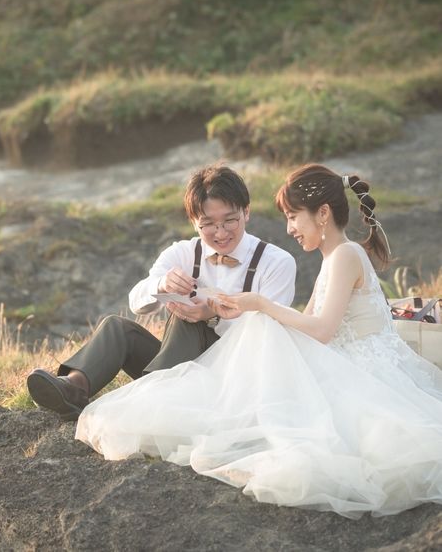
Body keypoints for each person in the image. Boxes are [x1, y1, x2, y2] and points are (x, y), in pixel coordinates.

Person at [76, 163, 442, 519]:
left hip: (364, 371)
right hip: (335, 361)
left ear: (323, 213)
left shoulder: (344, 255)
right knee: (259, 335)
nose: (290, 228)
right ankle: (100, 389)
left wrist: (258, 306)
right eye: (288, 219)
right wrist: (243, 310)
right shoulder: (333, 259)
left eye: (293, 217)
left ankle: (171, 403)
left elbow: (321, 331)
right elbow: (304, 328)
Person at [27, 164, 296, 420]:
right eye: (208, 224)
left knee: (188, 319)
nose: (221, 232)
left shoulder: (276, 263)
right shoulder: (183, 252)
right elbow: (136, 303)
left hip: (232, 376)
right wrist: (161, 284)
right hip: (177, 368)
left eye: (229, 221)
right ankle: (75, 387)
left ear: (246, 212)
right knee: (117, 327)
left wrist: (211, 315)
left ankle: (151, 397)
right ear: (194, 222)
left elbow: (267, 340)